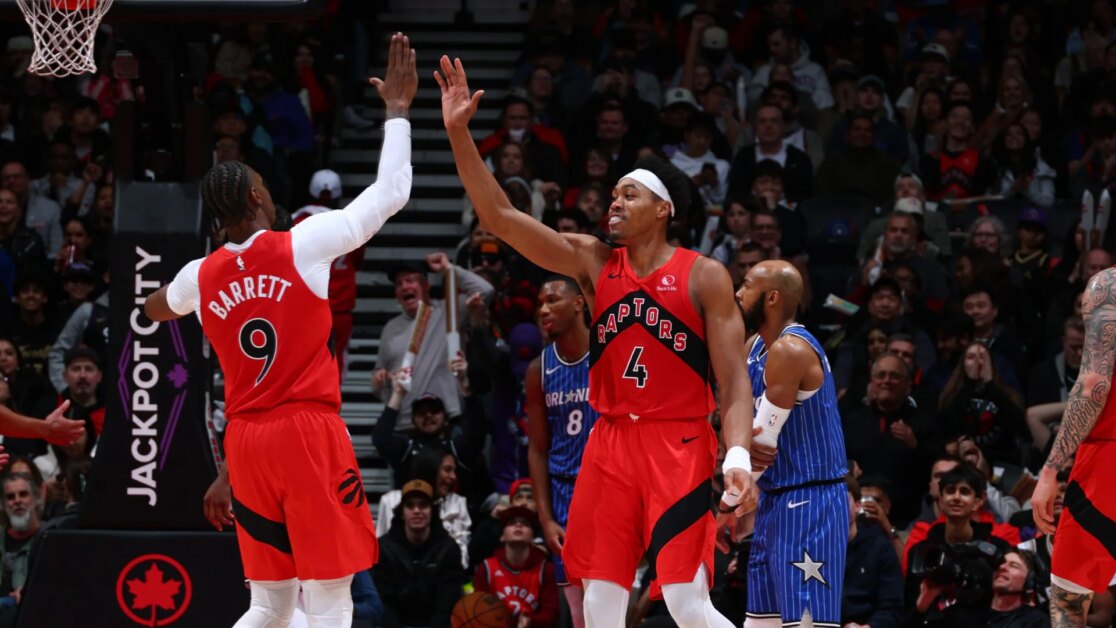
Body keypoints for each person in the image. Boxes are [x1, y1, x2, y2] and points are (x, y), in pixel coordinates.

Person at [439, 55, 756, 628]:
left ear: (663, 209)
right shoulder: (592, 262)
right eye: (613, 194)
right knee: (598, 601)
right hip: (608, 443)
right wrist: (460, 133)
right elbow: (501, 217)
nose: (615, 203)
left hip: (678, 441)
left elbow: (734, 381)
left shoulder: (703, 274)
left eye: (629, 195)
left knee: (686, 603)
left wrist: (736, 454)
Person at [142, 33, 416, 627]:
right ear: (257, 195)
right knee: (330, 596)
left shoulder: (200, 276)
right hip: (305, 432)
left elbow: (155, 308)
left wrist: (185, 287)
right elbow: (391, 192)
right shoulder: (301, 245)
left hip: (245, 442)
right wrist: (397, 112)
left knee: (269, 603)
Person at [735, 260, 849, 628]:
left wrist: (726, 505)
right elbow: (739, 426)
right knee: (760, 623)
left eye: (746, 285)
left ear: (771, 298)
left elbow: (763, 442)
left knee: (805, 624)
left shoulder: (790, 349)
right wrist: (741, 443)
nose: (738, 294)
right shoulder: (754, 346)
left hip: (810, 502)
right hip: (773, 500)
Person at [1032, 264, 1116, 626]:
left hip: (1109, 456)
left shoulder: (1109, 285)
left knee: (1069, 602)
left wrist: (1051, 469)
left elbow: (1095, 383)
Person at [525, 276, 597, 627]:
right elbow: (538, 450)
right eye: (540, 303)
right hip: (564, 490)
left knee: (609, 598)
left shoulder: (609, 354)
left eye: (552, 300)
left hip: (608, 487)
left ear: (579, 303)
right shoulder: (539, 369)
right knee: (579, 613)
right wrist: (546, 518)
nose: (543, 309)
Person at [473, 505, 560, 627]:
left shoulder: (546, 569)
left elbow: (551, 616)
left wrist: (530, 621)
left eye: (525, 524)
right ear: (502, 536)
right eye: (512, 523)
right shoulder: (486, 568)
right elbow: (479, 612)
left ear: (532, 537)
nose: (518, 525)